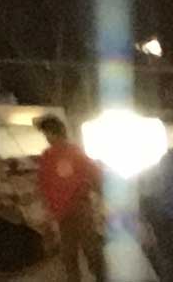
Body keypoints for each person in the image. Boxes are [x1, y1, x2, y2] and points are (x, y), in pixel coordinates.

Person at [35, 113, 105, 282]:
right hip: (63, 213)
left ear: (55, 132)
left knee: (90, 250)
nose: (47, 137)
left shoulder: (72, 153)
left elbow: (94, 175)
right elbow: (43, 184)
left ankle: (102, 278)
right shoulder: (48, 157)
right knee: (69, 254)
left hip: (78, 208)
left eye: (48, 133)